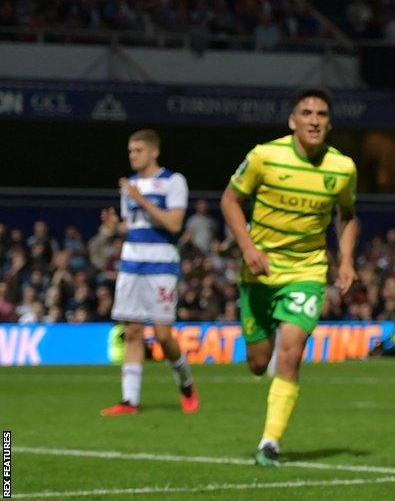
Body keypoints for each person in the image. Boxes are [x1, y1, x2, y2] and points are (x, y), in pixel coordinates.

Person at [220, 86, 359, 467]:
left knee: (291, 354)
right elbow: (230, 200)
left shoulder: (342, 168)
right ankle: (263, 374)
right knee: (257, 360)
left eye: (322, 115)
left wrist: (345, 261)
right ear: (292, 120)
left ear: (328, 123)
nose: (314, 120)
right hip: (257, 270)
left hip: (307, 270)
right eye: (307, 113)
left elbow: (346, 216)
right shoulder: (264, 156)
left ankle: (270, 443)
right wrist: (248, 248)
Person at [101, 129, 199, 416]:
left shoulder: (173, 181)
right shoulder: (129, 185)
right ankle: (129, 401)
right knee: (131, 331)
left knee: (162, 335)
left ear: (154, 151)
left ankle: (186, 381)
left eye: (138, 150)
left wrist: (141, 199)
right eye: (130, 151)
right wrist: (113, 227)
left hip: (161, 265)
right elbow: (131, 226)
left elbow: (174, 224)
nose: (133, 156)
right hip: (131, 263)